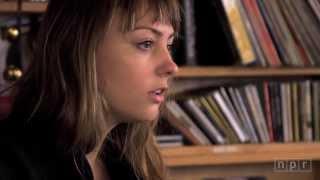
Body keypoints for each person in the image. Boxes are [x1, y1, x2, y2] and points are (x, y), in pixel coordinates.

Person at [0, 0, 181, 179]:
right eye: (146, 43)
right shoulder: (10, 164)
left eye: (169, 45)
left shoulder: (127, 164)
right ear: (79, 47)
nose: (171, 66)